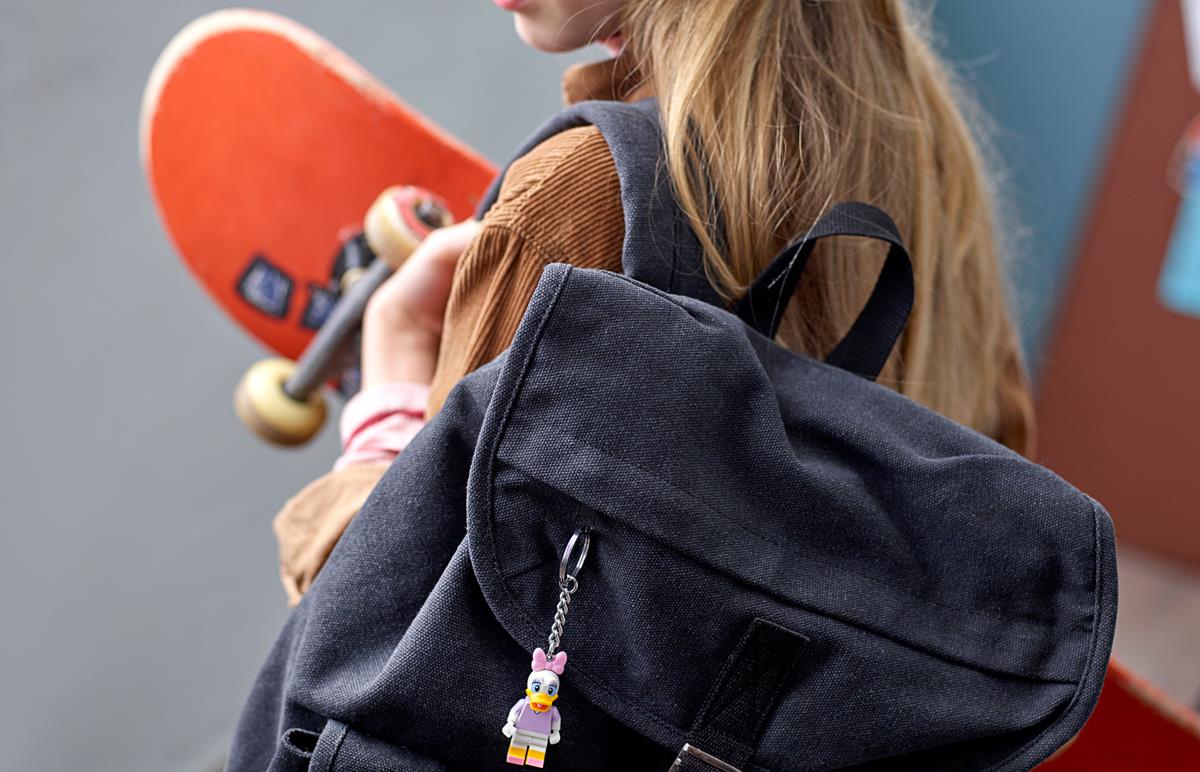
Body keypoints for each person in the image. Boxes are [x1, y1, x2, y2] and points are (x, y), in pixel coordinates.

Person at [272, 0, 1037, 607]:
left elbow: (385, 635)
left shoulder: (571, 197)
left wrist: (390, 392)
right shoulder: (923, 145)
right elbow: (998, 449)